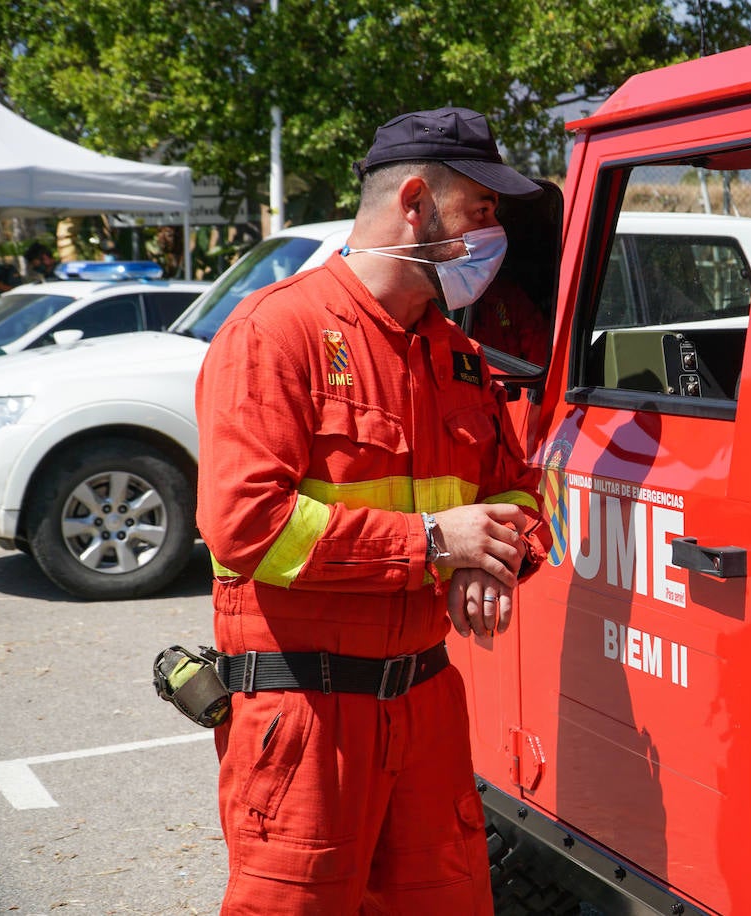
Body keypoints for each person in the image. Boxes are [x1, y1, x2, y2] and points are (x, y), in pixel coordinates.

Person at [194, 105, 551, 914]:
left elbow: (523, 491)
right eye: (481, 210)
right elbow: (247, 525)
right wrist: (433, 544)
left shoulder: (455, 355)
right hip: (307, 722)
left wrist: (495, 560)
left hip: (426, 709)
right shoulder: (275, 332)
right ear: (416, 202)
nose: (493, 235)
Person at [471, 274, 550, 365]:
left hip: (507, 374)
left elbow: (537, 340)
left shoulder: (506, 296)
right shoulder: (453, 314)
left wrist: (523, 377)